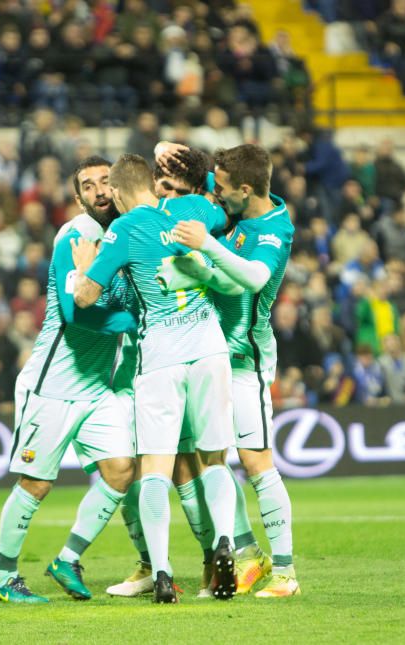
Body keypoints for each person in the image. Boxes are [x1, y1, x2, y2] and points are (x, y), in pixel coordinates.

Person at [72, 153, 237, 603]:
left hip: (161, 357)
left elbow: (85, 299)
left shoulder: (123, 230)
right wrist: (201, 178)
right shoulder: (194, 210)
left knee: (157, 469)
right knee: (215, 458)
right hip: (209, 347)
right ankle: (225, 540)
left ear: (121, 193)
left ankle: (162, 572)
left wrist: (82, 266)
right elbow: (225, 206)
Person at [0, 156, 139, 604]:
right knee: (36, 484)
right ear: (78, 198)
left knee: (120, 471)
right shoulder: (77, 235)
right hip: (52, 383)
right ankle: (3, 577)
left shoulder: (123, 235)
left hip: (97, 386)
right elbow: (75, 314)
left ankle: (68, 559)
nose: (99, 190)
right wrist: (135, 319)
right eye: (88, 185)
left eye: (106, 181)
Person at [167, 143, 300, 597]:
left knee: (256, 461)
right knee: (212, 458)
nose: (215, 194)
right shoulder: (238, 204)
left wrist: (205, 246)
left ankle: (285, 572)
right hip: (212, 356)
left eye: (222, 189)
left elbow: (255, 278)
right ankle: (248, 557)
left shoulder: (273, 232)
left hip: (247, 362)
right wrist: (173, 150)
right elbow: (199, 173)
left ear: (247, 189)